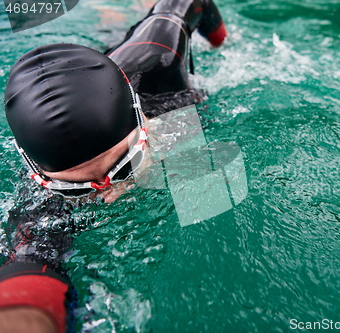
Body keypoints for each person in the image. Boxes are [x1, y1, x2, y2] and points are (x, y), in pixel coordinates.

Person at [0, 0, 227, 332]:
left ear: (142, 124)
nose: (109, 196)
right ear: (38, 173)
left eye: (124, 167)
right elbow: (27, 273)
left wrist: (224, 43)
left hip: (133, 69)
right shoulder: (41, 196)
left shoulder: (161, 60)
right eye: (74, 189)